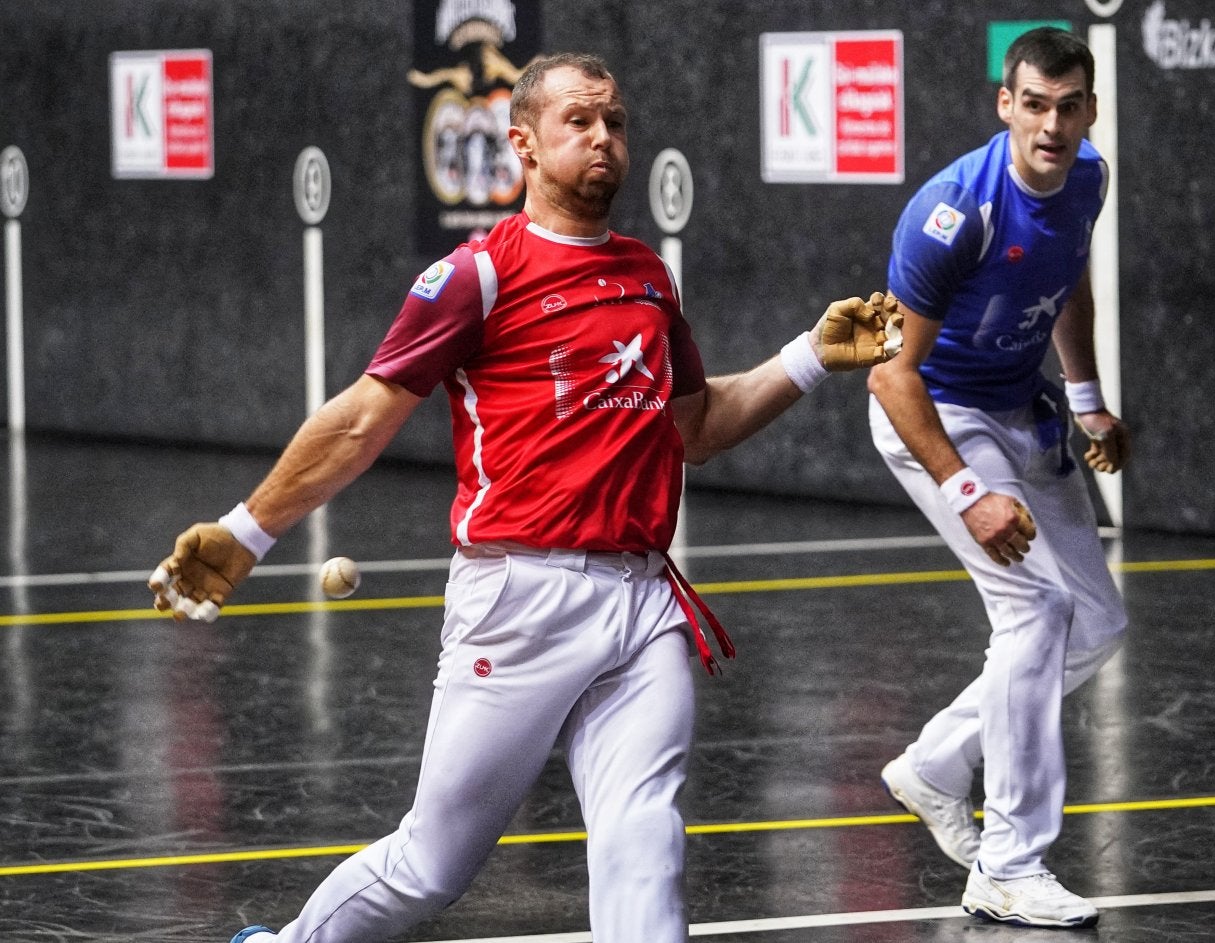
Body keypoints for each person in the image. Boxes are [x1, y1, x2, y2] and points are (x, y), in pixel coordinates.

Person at [148, 52, 895, 943]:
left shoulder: (649, 278)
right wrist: (246, 532)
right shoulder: (478, 276)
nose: (603, 138)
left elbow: (694, 427)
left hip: (643, 602)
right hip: (518, 600)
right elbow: (359, 422)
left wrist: (810, 356)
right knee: (432, 863)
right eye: (579, 121)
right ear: (524, 144)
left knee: (643, 838)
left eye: (615, 122)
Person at [866, 27, 1130, 929]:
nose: (1052, 125)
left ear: (1089, 111)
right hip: (939, 414)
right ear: (1005, 105)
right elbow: (890, 375)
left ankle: (936, 765)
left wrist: (1088, 400)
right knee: (1036, 609)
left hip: (1024, 407)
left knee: (1095, 622)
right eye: (1036, 105)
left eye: (1070, 107)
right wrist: (968, 493)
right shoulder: (952, 214)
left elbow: (1067, 281)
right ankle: (1008, 865)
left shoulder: (1088, 178)